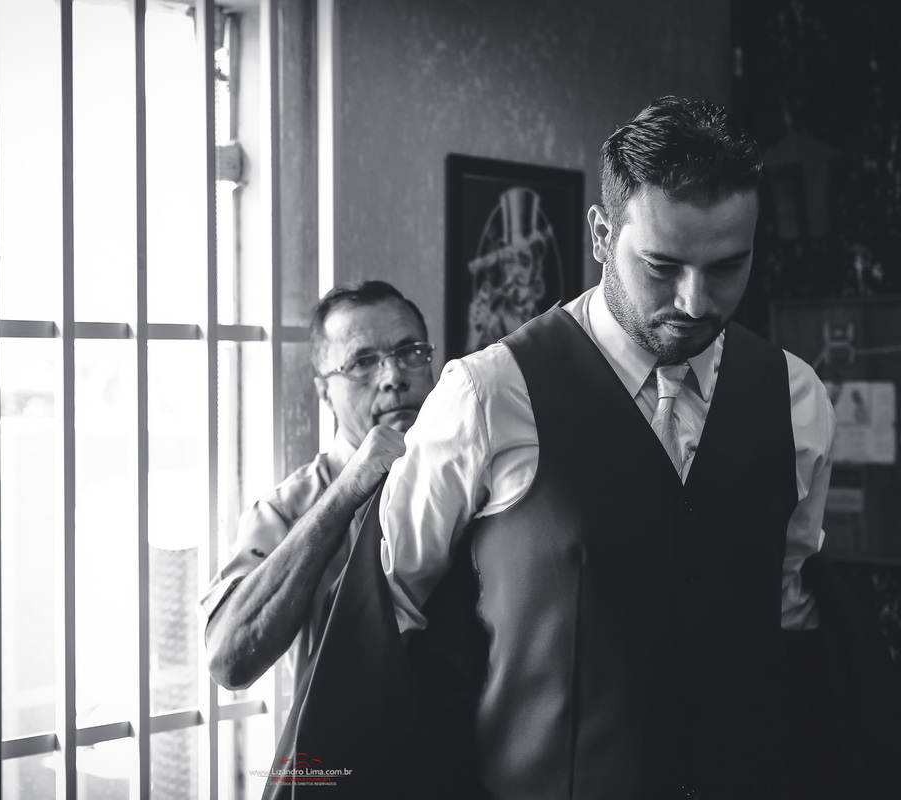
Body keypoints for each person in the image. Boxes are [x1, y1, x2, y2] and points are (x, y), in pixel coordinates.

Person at [379, 96, 840, 798]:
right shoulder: (488, 394)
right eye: (662, 264)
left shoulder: (797, 397)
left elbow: (787, 598)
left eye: (728, 266)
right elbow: (393, 605)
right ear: (600, 233)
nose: (695, 301)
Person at [202, 280, 435, 692]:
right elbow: (227, 660)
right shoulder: (284, 510)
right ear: (324, 392)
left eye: (410, 352)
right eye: (363, 362)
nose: (394, 376)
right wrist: (344, 494)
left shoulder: (475, 473)